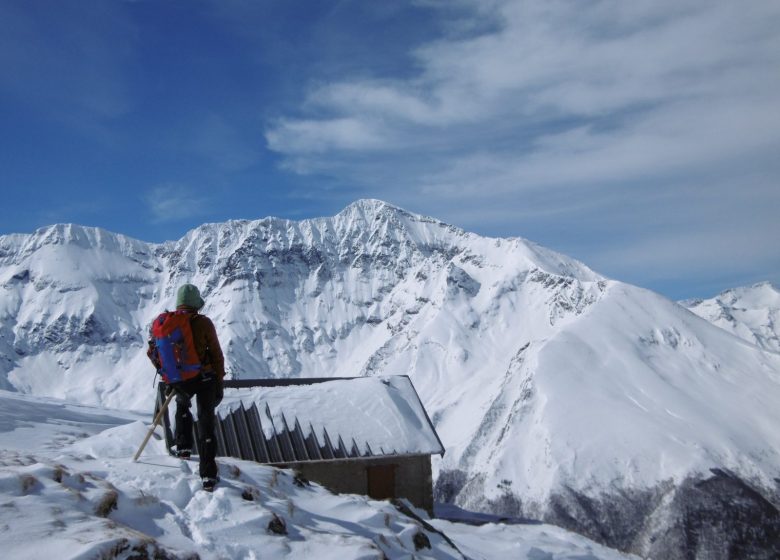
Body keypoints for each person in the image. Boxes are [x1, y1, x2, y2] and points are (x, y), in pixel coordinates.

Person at [148, 283, 225, 492]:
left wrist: (169, 375)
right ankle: (208, 475)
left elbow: (153, 352)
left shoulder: (166, 323)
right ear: (196, 305)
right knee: (206, 422)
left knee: (182, 407)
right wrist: (220, 380)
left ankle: (182, 448)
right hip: (205, 378)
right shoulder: (203, 323)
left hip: (180, 379)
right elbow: (216, 354)